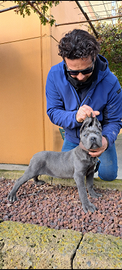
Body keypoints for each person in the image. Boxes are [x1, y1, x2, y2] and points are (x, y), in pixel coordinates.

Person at [46, 29, 122, 181]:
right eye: (73, 72)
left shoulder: (111, 82)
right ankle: (87, 170)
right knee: (65, 177)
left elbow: (115, 120)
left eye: (86, 70)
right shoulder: (54, 76)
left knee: (108, 176)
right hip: (73, 138)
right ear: (64, 61)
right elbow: (53, 112)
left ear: (94, 58)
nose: (80, 77)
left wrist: (105, 141)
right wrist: (75, 116)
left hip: (100, 136)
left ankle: (91, 168)